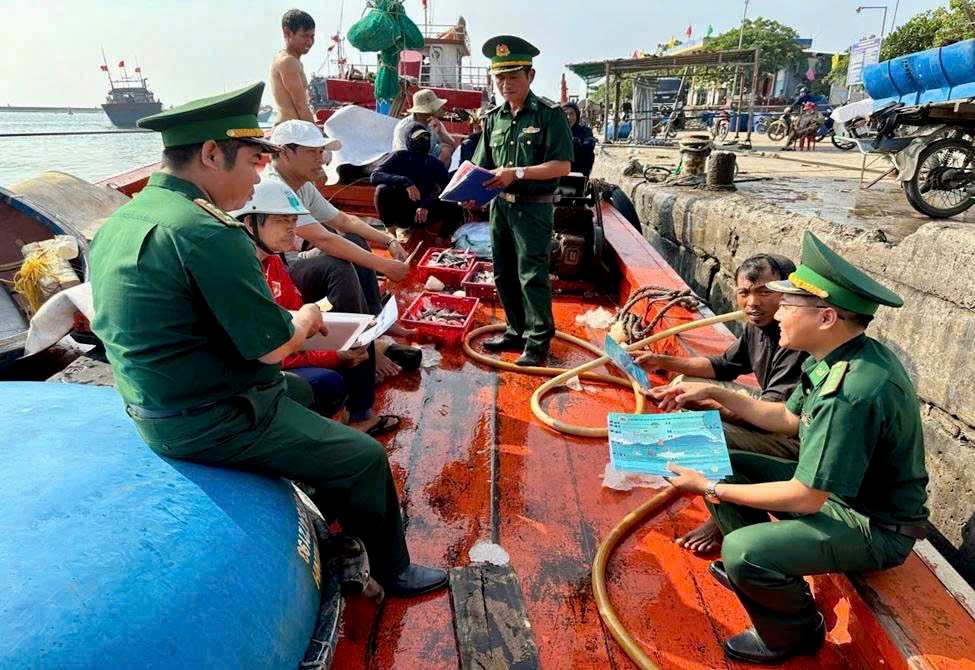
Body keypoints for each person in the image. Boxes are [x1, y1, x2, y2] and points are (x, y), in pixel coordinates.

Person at [88, 82, 447, 598]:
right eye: (254, 162)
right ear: (212, 154)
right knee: (365, 458)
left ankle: (330, 510)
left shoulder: (123, 219)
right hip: (212, 416)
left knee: (308, 391)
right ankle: (395, 571)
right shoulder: (209, 231)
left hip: (155, 404)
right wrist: (303, 319)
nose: (259, 175)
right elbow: (274, 349)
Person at [652, 231, 928, 664]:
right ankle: (771, 573)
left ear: (825, 317)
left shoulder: (851, 392)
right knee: (721, 462)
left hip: (873, 527)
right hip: (842, 498)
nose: (777, 312)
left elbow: (805, 495)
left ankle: (796, 632)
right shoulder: (833, 356)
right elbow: (785, 418)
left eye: (789, 303)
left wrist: (709, 488)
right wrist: (718, 394)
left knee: (742, 551)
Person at [640, 254, 807, 555]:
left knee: (699, 438)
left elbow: (774, 418)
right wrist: (662, 361)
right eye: (744, 293)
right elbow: (722, 366)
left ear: (789, 293)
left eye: (765, 292)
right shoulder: (758, 325)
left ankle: (731, 526)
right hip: (773, 412)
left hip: (793, 437)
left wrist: (707, 407)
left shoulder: (795, 338)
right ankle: (723, 507)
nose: (752, 303)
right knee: (688, 388)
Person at [231, 178, 401, 437]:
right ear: (250, 224)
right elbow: (272, 350)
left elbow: (297, 317)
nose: (292, 229)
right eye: (281, 221)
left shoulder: (274, 264)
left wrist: (339, 343)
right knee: (329, 382)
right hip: (254, 373)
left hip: (283, 352)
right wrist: (334, 355)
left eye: (293, 221)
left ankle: (359, 405)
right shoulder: (243, 275)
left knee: (351, 352)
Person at [471, 35, 573, 367]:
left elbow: (562, 165)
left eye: (513, 76)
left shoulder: (548, 115)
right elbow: (480, 164)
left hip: (534, 207)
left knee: (532, 273)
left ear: (529, 75)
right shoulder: (493, 119)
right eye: (499, 77)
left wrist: (517, 172)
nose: (505, 84)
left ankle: (538, 341)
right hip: (501, 206)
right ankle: (515, 330)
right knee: (503, 271)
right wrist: (466, 188)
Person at [265, 120, 409, 316]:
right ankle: (357, 338)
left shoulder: (303, 185)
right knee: (337, 267)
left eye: (321, 151)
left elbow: (344, 221)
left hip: (296, 261)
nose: (321, 159)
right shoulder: (275, 188)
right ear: (285, 153)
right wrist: (384, 265)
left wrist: (389, 240)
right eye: (312, 152)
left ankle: (375, 315)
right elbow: (324, 240)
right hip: (276, 274)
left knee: (354, 240)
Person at [371, 125, 461, 239]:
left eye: (426, 137)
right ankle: (391, 232)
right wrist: (405, 181)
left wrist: (426, 205)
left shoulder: (434, 163)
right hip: (402, 211)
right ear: (409, 140)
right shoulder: (399, 156)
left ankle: (442, 238)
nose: (423, 141)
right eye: (418, 138)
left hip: (425, 212)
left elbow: (447, 189)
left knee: (455, 202)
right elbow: (375, 175)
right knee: (382, 190)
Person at [270, 9, 316, 124]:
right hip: (291, 130)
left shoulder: (289, 59)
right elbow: (301, 106)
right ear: (287, 33)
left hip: (293, 128)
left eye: (312, 36)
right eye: (304, 36)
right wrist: (318, 133)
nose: (309, 42)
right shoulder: (288, 61)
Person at [392, 89, 458, 166]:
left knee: (446, 149)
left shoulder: (435, 123)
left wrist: (440, 132)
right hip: (408, 162)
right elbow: (401, 155)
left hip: (428, 160)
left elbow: (453, 145)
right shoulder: (404, 127)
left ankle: (436, 177)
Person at [562, 101, 596, 176]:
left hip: (579, 171)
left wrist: (573, 142)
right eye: (565, 114)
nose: (568, 117)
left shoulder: (585, 130)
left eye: (571, 114)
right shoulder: (556, 131)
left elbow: (590, 145)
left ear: (577, 115)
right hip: (560, 171)